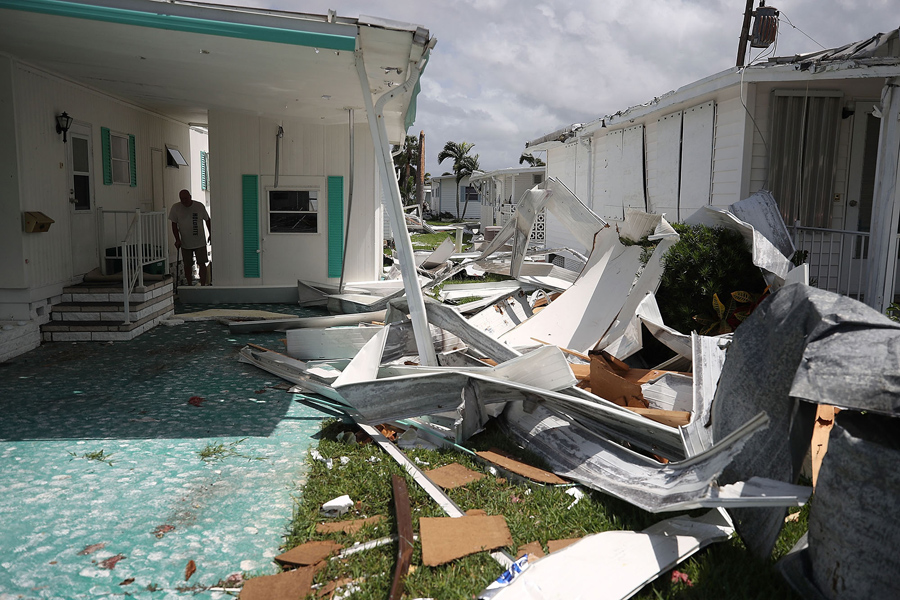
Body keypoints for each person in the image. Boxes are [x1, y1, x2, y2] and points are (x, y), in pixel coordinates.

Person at [169, 189, 211, 286]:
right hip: (185, 242)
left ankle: (203, 284)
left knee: (202, 263)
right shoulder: (176, 208)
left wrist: (210, 234)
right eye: (182, 199)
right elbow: (174, 224)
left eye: (186, 198)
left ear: (190, 197)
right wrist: (177, 239)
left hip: (200, 241)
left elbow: (207, 220)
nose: (184, 201)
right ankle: (189, 284)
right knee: (187, 265)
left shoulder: (199, 206)